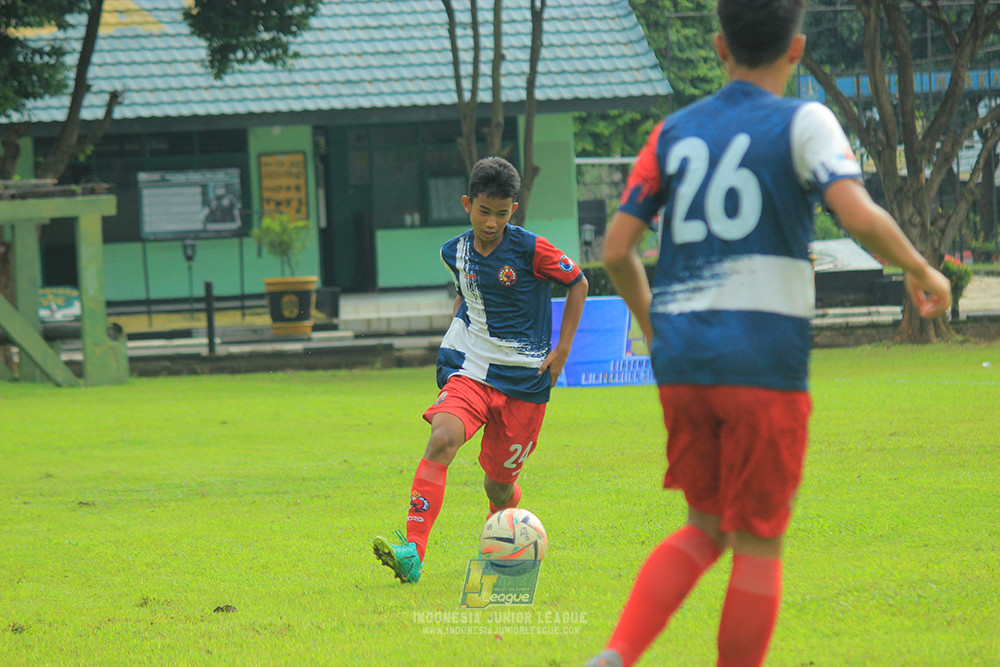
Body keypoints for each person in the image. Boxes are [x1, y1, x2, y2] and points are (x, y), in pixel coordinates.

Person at [585, 0, 952, 665]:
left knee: (703, 526)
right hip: (761, 363)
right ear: (798, 49)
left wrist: (655, 329)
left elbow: (616, 250)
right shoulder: (804, 120)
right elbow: (856, 213)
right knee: (757, 538)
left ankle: (617, 652)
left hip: (686, 362)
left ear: (721, 48)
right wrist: (921, 267)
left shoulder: (672, 133)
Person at [373, 156, 588, 584]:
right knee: (442, 438)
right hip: (470, 370)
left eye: (502, 213)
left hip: (525, 382)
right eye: (484, 211)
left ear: (514, 210)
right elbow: (466, 292)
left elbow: (578, 281)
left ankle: (508, 529)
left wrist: (561, 351)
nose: (491, 223)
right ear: (468, 204)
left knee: (497, 486)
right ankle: (412, 553)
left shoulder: (531, 249)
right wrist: (458, 330)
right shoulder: (453, 251)